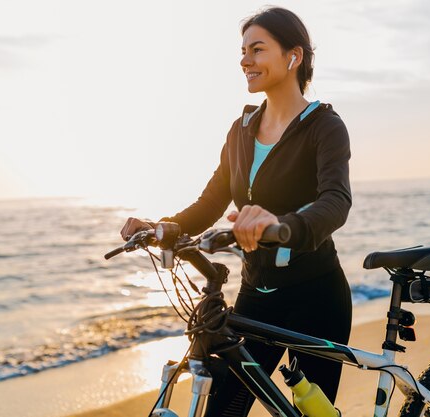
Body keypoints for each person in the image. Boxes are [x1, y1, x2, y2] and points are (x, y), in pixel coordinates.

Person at [121, 7, 352, 416]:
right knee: (224, 408)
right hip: (255, 296)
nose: (245, 60)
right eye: (243, 50)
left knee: (313, 412)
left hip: (316, 297)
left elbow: (336, 200)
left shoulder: (324, 127)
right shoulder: (241, 129)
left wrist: (283, 226)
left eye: (257, 49)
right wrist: (162, 227)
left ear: (293, 56)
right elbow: (211, 202)